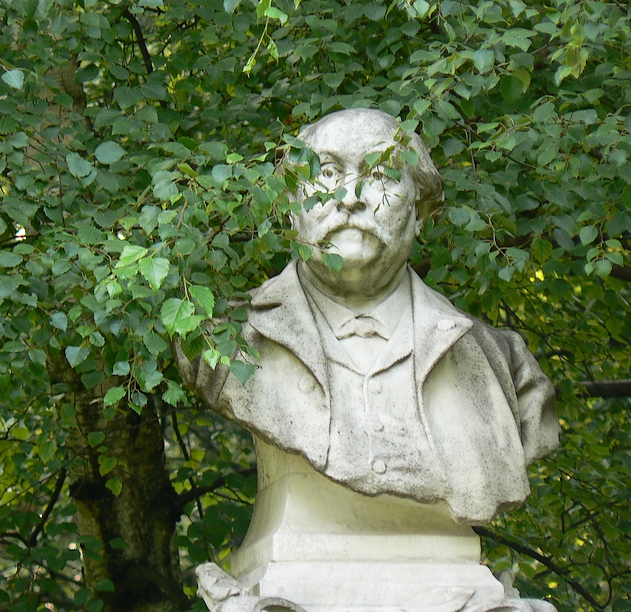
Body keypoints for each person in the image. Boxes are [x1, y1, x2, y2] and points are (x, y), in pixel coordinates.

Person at [177, 108, 559, 525]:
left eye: (380, 174)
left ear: (421, 212)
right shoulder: (221, 341)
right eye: (325, 173)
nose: (350, 196)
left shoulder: (502, 363)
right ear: (291, 206)